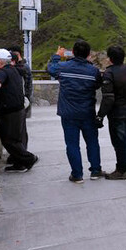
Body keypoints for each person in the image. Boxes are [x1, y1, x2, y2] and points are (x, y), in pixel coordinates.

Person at [47, 40, 104, 183]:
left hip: (68, 114)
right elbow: (97, 85)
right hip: (87, 113)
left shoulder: (62, 67)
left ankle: (77, 175)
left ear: (72, 52)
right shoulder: (94, 71)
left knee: (72, 144)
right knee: (92, 142)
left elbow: (50, 69)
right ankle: (96, 171)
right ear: (88, 54)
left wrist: (57, 55)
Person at [0, 48, 38, 173]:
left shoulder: (2, 72)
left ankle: (29, 159)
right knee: (16, 139)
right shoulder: (14, 70)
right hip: (18, 109)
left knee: (9, 140)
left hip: (10, 111)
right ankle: (19, 163)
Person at [97, 46, 126, 180]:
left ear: (110, 58)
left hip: (117, 112)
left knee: (119, 141)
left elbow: (108, 98)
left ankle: (121, 170)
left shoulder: (109, 73)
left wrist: (100, 115)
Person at [8, 46, 33, 119]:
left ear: (17, 54)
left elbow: (28, 85)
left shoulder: (22, 67)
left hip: (21, 100)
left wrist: (27, 98)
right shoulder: (23, 66)